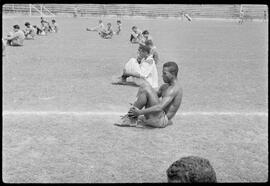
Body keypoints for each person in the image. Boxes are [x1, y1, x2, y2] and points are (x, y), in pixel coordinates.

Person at [114, 61, 183, 128]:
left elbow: (160, 107)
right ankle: (131, 117)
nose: (162, 75)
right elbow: (151, 96)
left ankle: (131, 118)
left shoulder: (173, 89)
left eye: (164, 73)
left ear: (173, 74)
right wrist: (137, 102)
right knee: (144, 86)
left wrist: (140, 112)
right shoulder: (165, 86)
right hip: (157, 116)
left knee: (146, 88)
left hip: (160, 120)